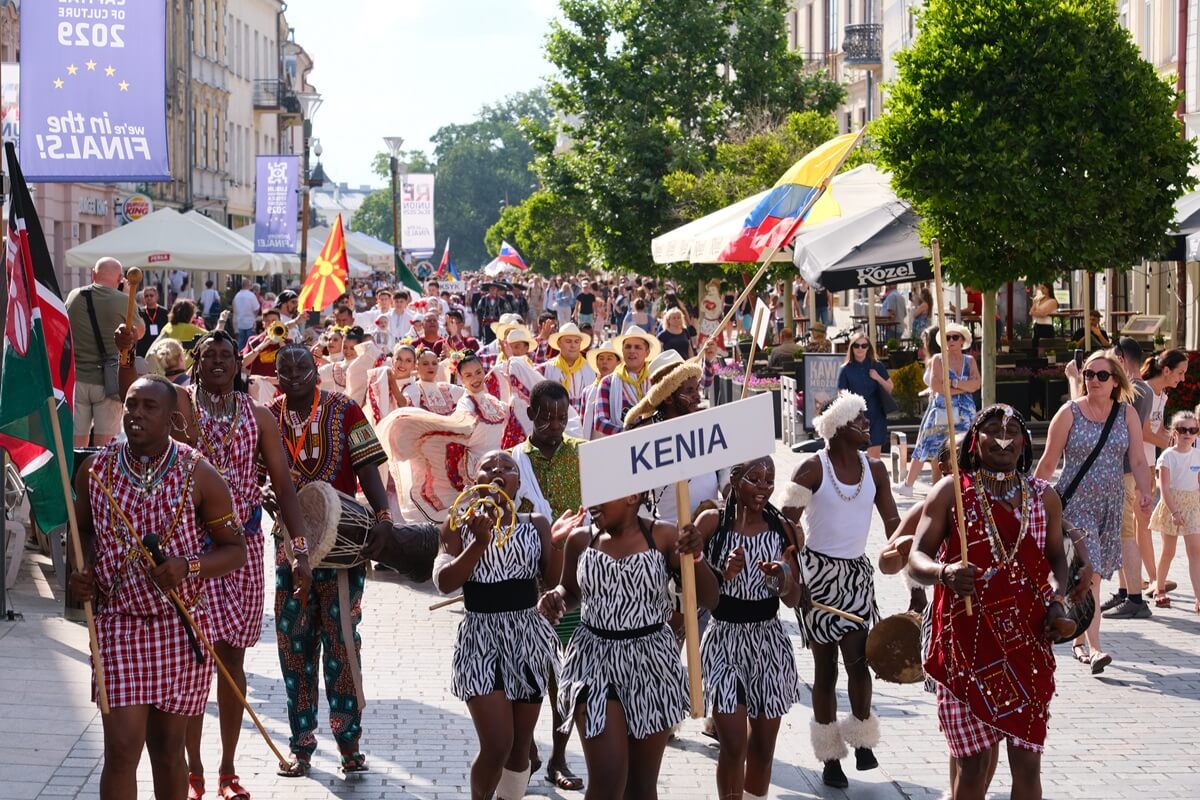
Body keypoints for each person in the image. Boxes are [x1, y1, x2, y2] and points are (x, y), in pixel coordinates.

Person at [120, 329, 315, 800]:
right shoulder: (180, 405)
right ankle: (194, 771)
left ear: (238, 362)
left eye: (227, 356)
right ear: (197, 360)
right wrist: (126, 353)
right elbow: (130, 393)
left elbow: (285, 488)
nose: (219, 363)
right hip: (190, 548)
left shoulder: (258, 416)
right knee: (194, 661)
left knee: (233, 659)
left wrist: (300, 548)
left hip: (242, 549)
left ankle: (228, 770)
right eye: (209, 356)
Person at [68, 376, 246, 800]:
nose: (136, 415)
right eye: (131, 405)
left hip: (180, 627)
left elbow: (235, 550)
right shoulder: (96, 470)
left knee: (168, 751)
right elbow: (81, 533)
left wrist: (189, 566)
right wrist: (81, 573)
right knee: (121, 749)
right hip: (116, 624)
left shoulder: (199, 473)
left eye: (150, 407)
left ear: (172, 419)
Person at [910, 403, 1077, 800]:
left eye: (1013, 429)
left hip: (1027, 645)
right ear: (974, 440)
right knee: (972, 767)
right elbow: (917, 558)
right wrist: (944, 573)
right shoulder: (951, 491)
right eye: (991, 428)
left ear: (1024, 443)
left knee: (1028, 762)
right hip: (966, 645)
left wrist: (1058, 599)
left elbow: (1058, 558)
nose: (1003, 435)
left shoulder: (1043, 497)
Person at [538, 492, 720, 798]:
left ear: (632, 496)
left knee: (640, 788)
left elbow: (710, 598)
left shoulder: (663, 535)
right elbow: (570, 590)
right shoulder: (581, 540)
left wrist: (697, 557)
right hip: (592, 662)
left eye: (602, 495)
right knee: (608, 782)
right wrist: (555, 598)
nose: (592, 503)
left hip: (652, 666)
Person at [267, 345, 393, 777]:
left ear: (317, 370)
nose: (296, 373)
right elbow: (255, 472)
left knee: (341, 643)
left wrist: (383, 516)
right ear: (277, 375)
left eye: (304, 365)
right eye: (286, 368)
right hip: (290, 549)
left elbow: (369, 468)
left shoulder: (344, 409)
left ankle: (349, 743)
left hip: (341, 550)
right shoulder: (269, 415)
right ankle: (301, 743)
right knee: (293, 645)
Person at [781, 391, 900, 789]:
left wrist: (907, 568)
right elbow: (786, 524)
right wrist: (795, 578)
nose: (868, 426)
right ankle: (831, 756)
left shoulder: (876, 470)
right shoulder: (811, 470)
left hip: (855, 576)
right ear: (836, 428)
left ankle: (863, 738)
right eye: (859, 420)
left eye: (867, 419)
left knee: (858, 659)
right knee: (826, 668)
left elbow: (894, 526)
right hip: (818, 576)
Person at [432, 451, 560, 800]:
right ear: (474, 482)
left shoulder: (536, 524)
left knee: (520, 749)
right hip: (480, 640)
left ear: (519, 483)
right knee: (497, 745)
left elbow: (552, 579)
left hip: (527, 638)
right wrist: (480, 544)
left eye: (507, 467)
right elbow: (444, 581)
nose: (497, 471)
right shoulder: (457, 524)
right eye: (487, 467)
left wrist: (560, 542)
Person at [1035, 349, 1152, 674]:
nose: (1094, 380)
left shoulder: (1126, 414)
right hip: (1075, 506)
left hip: (1111, 507)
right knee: (1093, 575)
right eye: (1088, 374)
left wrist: (1146, 491)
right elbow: (1047, 462)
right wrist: (1030, 503)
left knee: (1083, 576)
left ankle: (1075, 635)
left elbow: (1139, 460)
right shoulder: (1069, 413)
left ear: (1115, 381)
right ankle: (1096, 648)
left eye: (1101, 375)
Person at [695, 456, 803, 800]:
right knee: (733, 745)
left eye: (769, 480)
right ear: (735, 479)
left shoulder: (781, 527)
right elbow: (691, 584)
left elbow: (795, 598)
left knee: (762, 749)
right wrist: (720, 573)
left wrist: (782, 578)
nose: (764, 488)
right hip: (724, 640)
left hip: (768, 643)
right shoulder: (712, 522)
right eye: (755, 479)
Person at [506, 381, 589, 791]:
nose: (554, 425)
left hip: (572, 581)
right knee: (525, 671)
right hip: (528, 584)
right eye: (545, 416)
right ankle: (525, 748)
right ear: (531, 413)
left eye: (561, 416)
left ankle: (558, 757)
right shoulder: (512, 462)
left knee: (565, 673)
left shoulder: (582, 455)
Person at [896, 323, 979, 496]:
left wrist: (953, 384)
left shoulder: (969, 361)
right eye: (947, 337)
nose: (951, 341)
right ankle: (908, 484)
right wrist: (964, 387)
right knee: (925, 443)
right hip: (941, 409)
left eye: (955, 337)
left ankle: (967, 484)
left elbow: (976, 384)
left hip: (965, 413)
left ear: (963, 340)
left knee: (965, 447)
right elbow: (937, 386)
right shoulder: (938, 359)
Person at [67, 257, 141, 447]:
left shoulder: (74, 296)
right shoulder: (124, 300)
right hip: (109, 381)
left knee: (75, 444)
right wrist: (125, 295)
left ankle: (76, 476)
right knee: (105, 447)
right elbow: (138, 332)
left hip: (77, 379)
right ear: (119, 279)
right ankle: (98, 477)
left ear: (93, 274)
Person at [1149, 411, 1200, 612]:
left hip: (1193, 505)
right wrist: (1174, 511)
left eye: (1193, 430)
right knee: (1168, 552)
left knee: (1195, 550)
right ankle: (1159, 588)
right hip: (1172, 505)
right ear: (1174, 433)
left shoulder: (1198, 455)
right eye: (1182, 430)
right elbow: (1165, 488)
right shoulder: (1167, 456)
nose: (1187, 434)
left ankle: (1198, 597)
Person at [592, 326, 662, 437]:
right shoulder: (608, 383)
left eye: (637, 347)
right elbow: (600, 422)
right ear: (623, 351)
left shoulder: (656, 380)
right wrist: (626, 433)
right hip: (621, 446)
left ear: (647, 353)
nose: (632, 351)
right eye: (628, 347)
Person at [836, 332, 895, 459]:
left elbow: (890, 387)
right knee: (855, 456)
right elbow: (841, 393)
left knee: (874, 456)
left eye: (864, 346)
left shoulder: (876, 365)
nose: (860, 349)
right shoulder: (845, 369)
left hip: (876, 414)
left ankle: (872, 478)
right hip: (856, 417)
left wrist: (878, 377)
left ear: (868, 348)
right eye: (856, 346)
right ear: (851, 347)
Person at [538, 322, 596, 417]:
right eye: (568, 341)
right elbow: (527, 374)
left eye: (576, 342)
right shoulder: (548, 368)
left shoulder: (591, 368)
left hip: (583, 427)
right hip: (556, 426)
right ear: (559, 343)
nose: (573, 345)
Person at [403, 348, 464, 415]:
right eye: (425, 364)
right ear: (417, 367)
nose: (430, 367)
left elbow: (470, 394)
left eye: (434, 363)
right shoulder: (411, 389)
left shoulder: (446, 388)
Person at [581, 341, 622, 441]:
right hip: (595, 445)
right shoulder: (587, 391)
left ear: (618, 363)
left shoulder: (623, 388)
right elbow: (583, 422)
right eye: (601, 358)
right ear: (596, 363)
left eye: (609, 358)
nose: (604, 362)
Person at [136, 285, 169, 358]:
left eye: (151, 295)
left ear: (156, 296)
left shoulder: (164, 312)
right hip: (143, 350)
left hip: (160, 349)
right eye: (146, 296)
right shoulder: (140, 312)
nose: (149, 298)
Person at [232, 279, 260, 349]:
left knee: (241, 343)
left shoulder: (237, 295)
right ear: (248, 285)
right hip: (250, 322)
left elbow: (234, 308)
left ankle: (239, 357)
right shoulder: (251, 295)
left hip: (240, 322)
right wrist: (255, 316)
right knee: (251, 343)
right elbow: (256, 308)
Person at [1030, 283, 1058, 349]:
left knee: (1045, 347)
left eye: (1043, 288)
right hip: (1037, 324)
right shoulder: (1040, 299)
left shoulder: (1052, 301)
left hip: (1046, 326)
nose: (1042, 290)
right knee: (1035, 346)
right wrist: (1035, 305)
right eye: (1041, 288)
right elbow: (1031, 312)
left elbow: (1043, 314)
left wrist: (1036, 312)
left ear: (1048, 289)